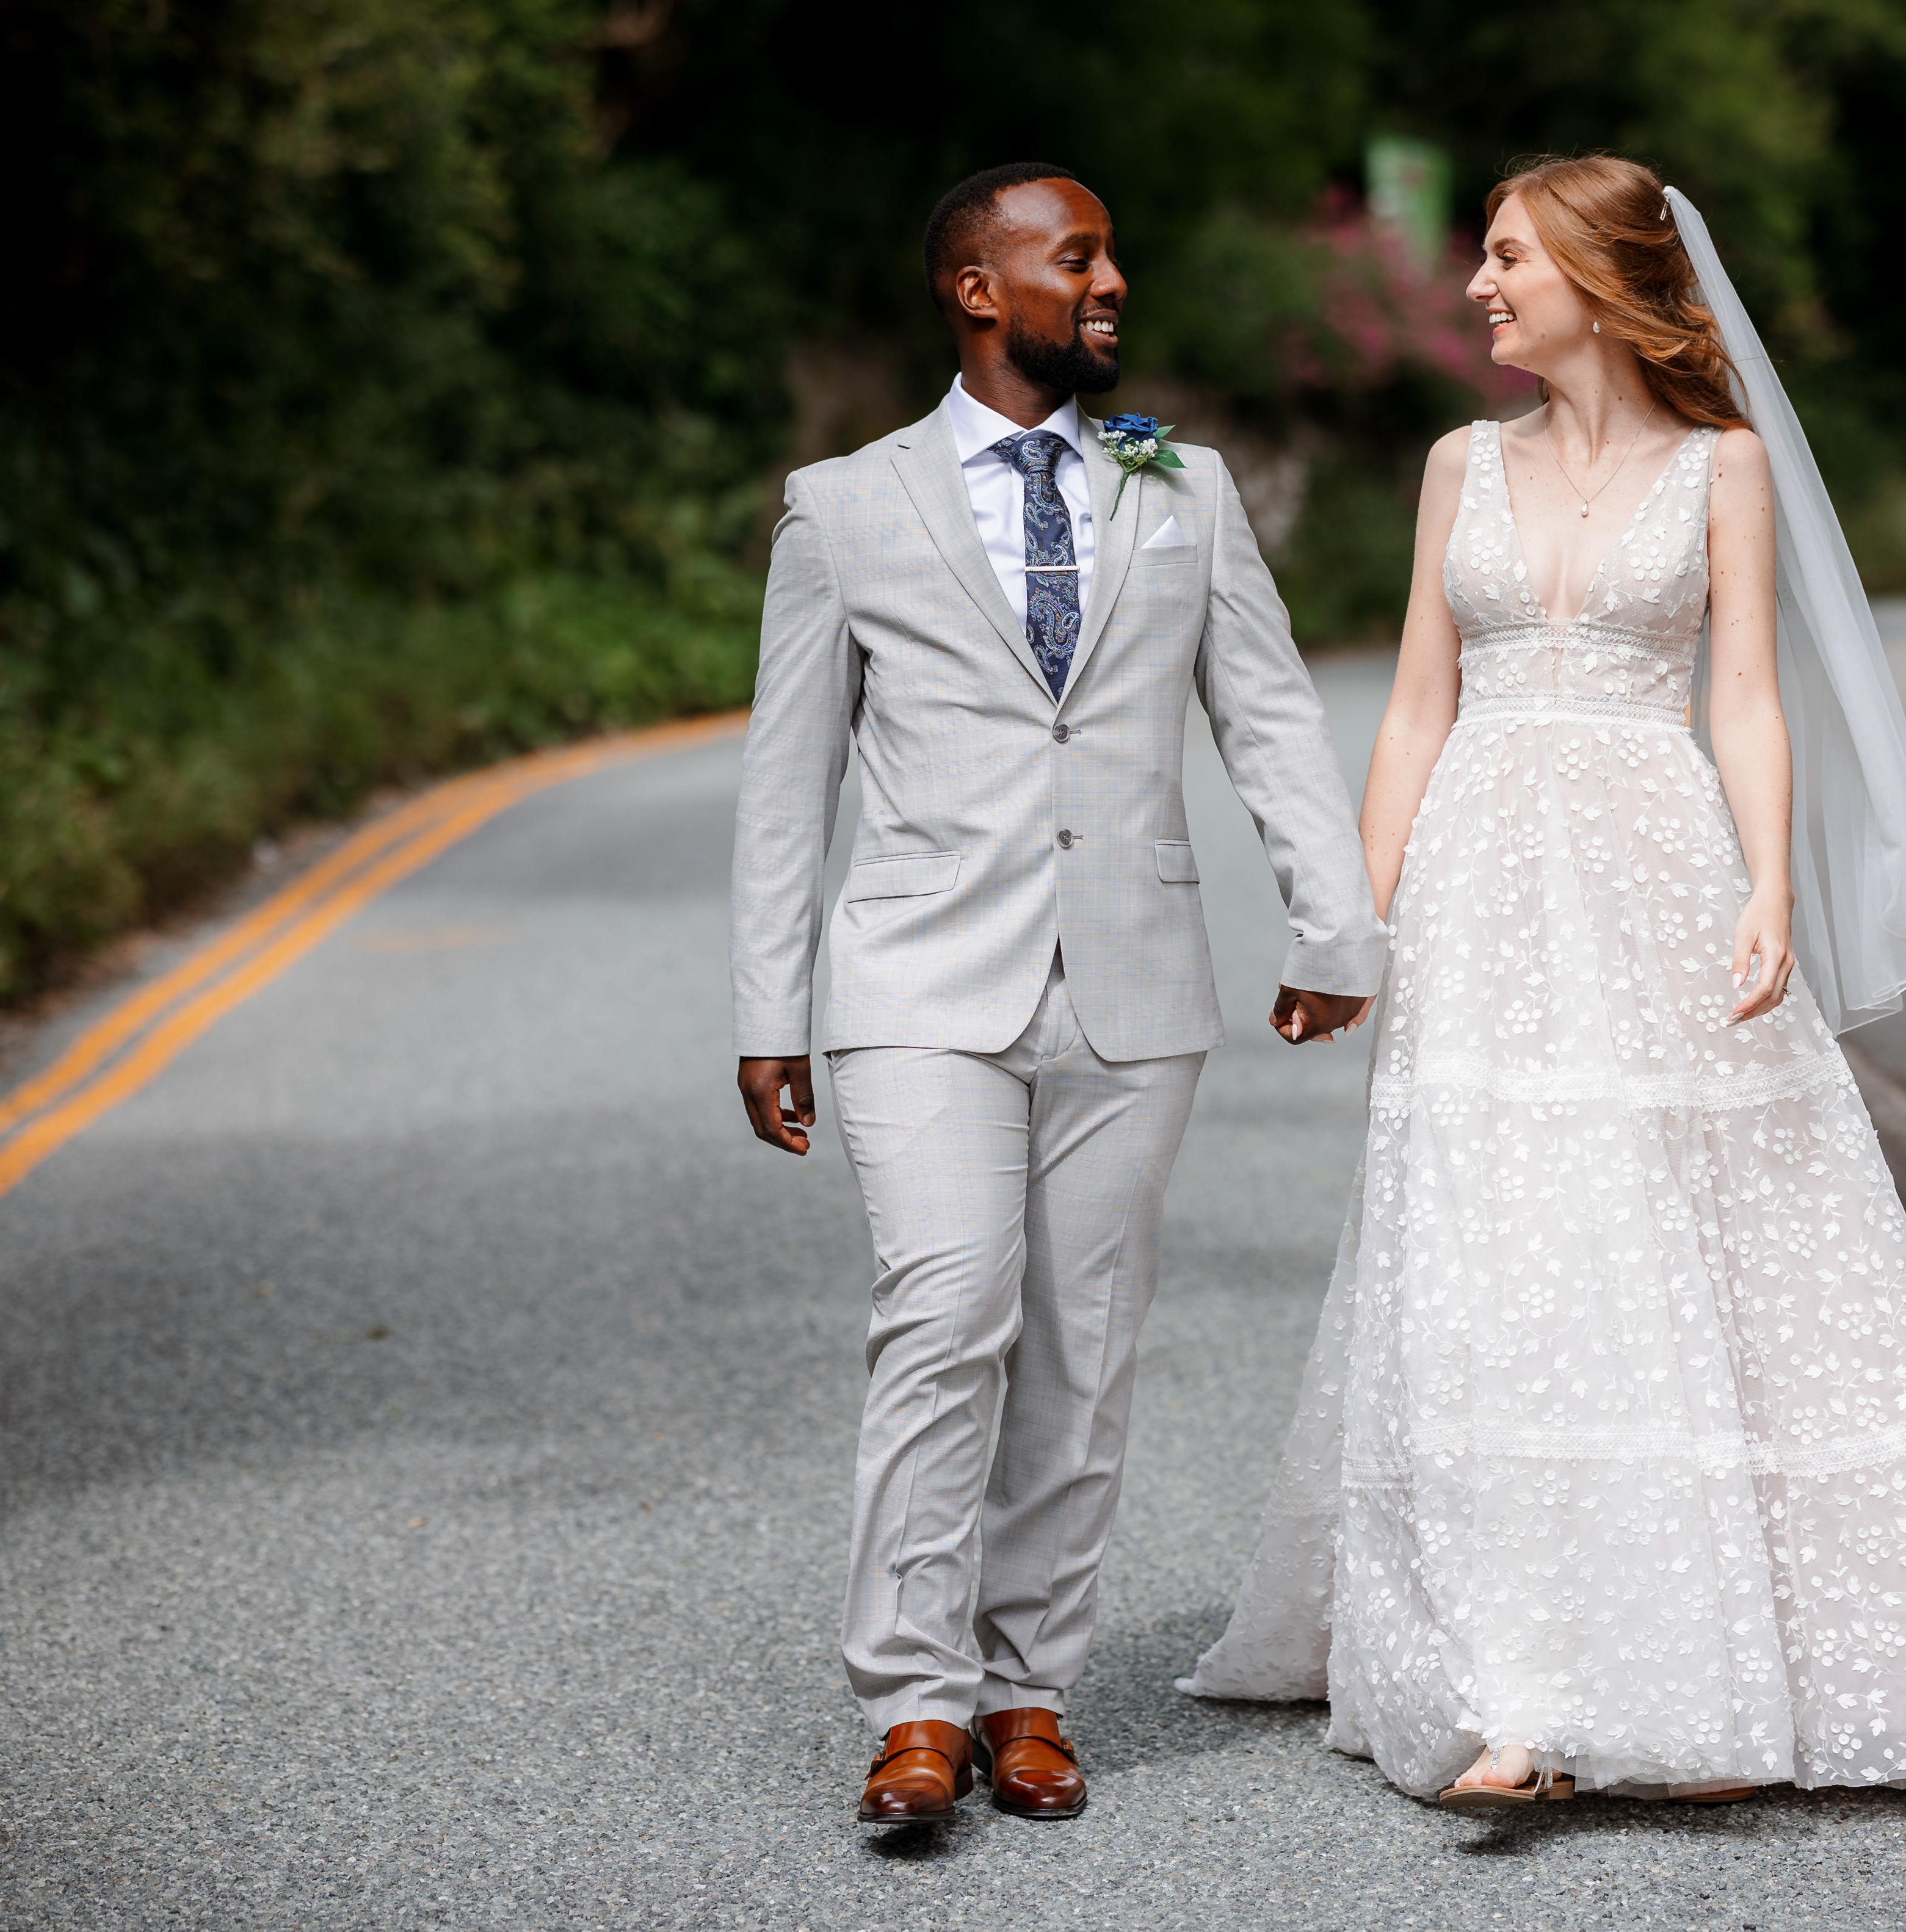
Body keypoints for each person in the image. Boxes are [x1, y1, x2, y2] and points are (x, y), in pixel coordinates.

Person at [1180, 154, 1906, 1804]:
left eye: (1504, 258)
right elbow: (1411, 707)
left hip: (1650, 870)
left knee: (1669, 1251)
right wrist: (1346, 916)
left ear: (1602, 284)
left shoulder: (1723, 469)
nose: (1475, 287)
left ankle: (1691, 1669)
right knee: (1497, 1257)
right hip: (1480, 886)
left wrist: (1764, 881)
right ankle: (1505, 1684)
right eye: (1481, 258)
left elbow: (1741, 697)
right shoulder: (1456, 461)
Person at [730, 162, 1385, 1828]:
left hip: (1134, 983)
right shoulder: (842, 507)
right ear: (975, 287)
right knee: (947, 1310)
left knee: (1083, 1349)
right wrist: (768, 1004)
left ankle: (1029, 1689)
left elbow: (1269, 719)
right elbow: (785, 782)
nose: (1109, 283)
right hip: (915, 982)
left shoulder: (1186, 489)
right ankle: (913, 1702)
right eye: (1073, 257)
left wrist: (1332, 926)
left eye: (1110, 257)